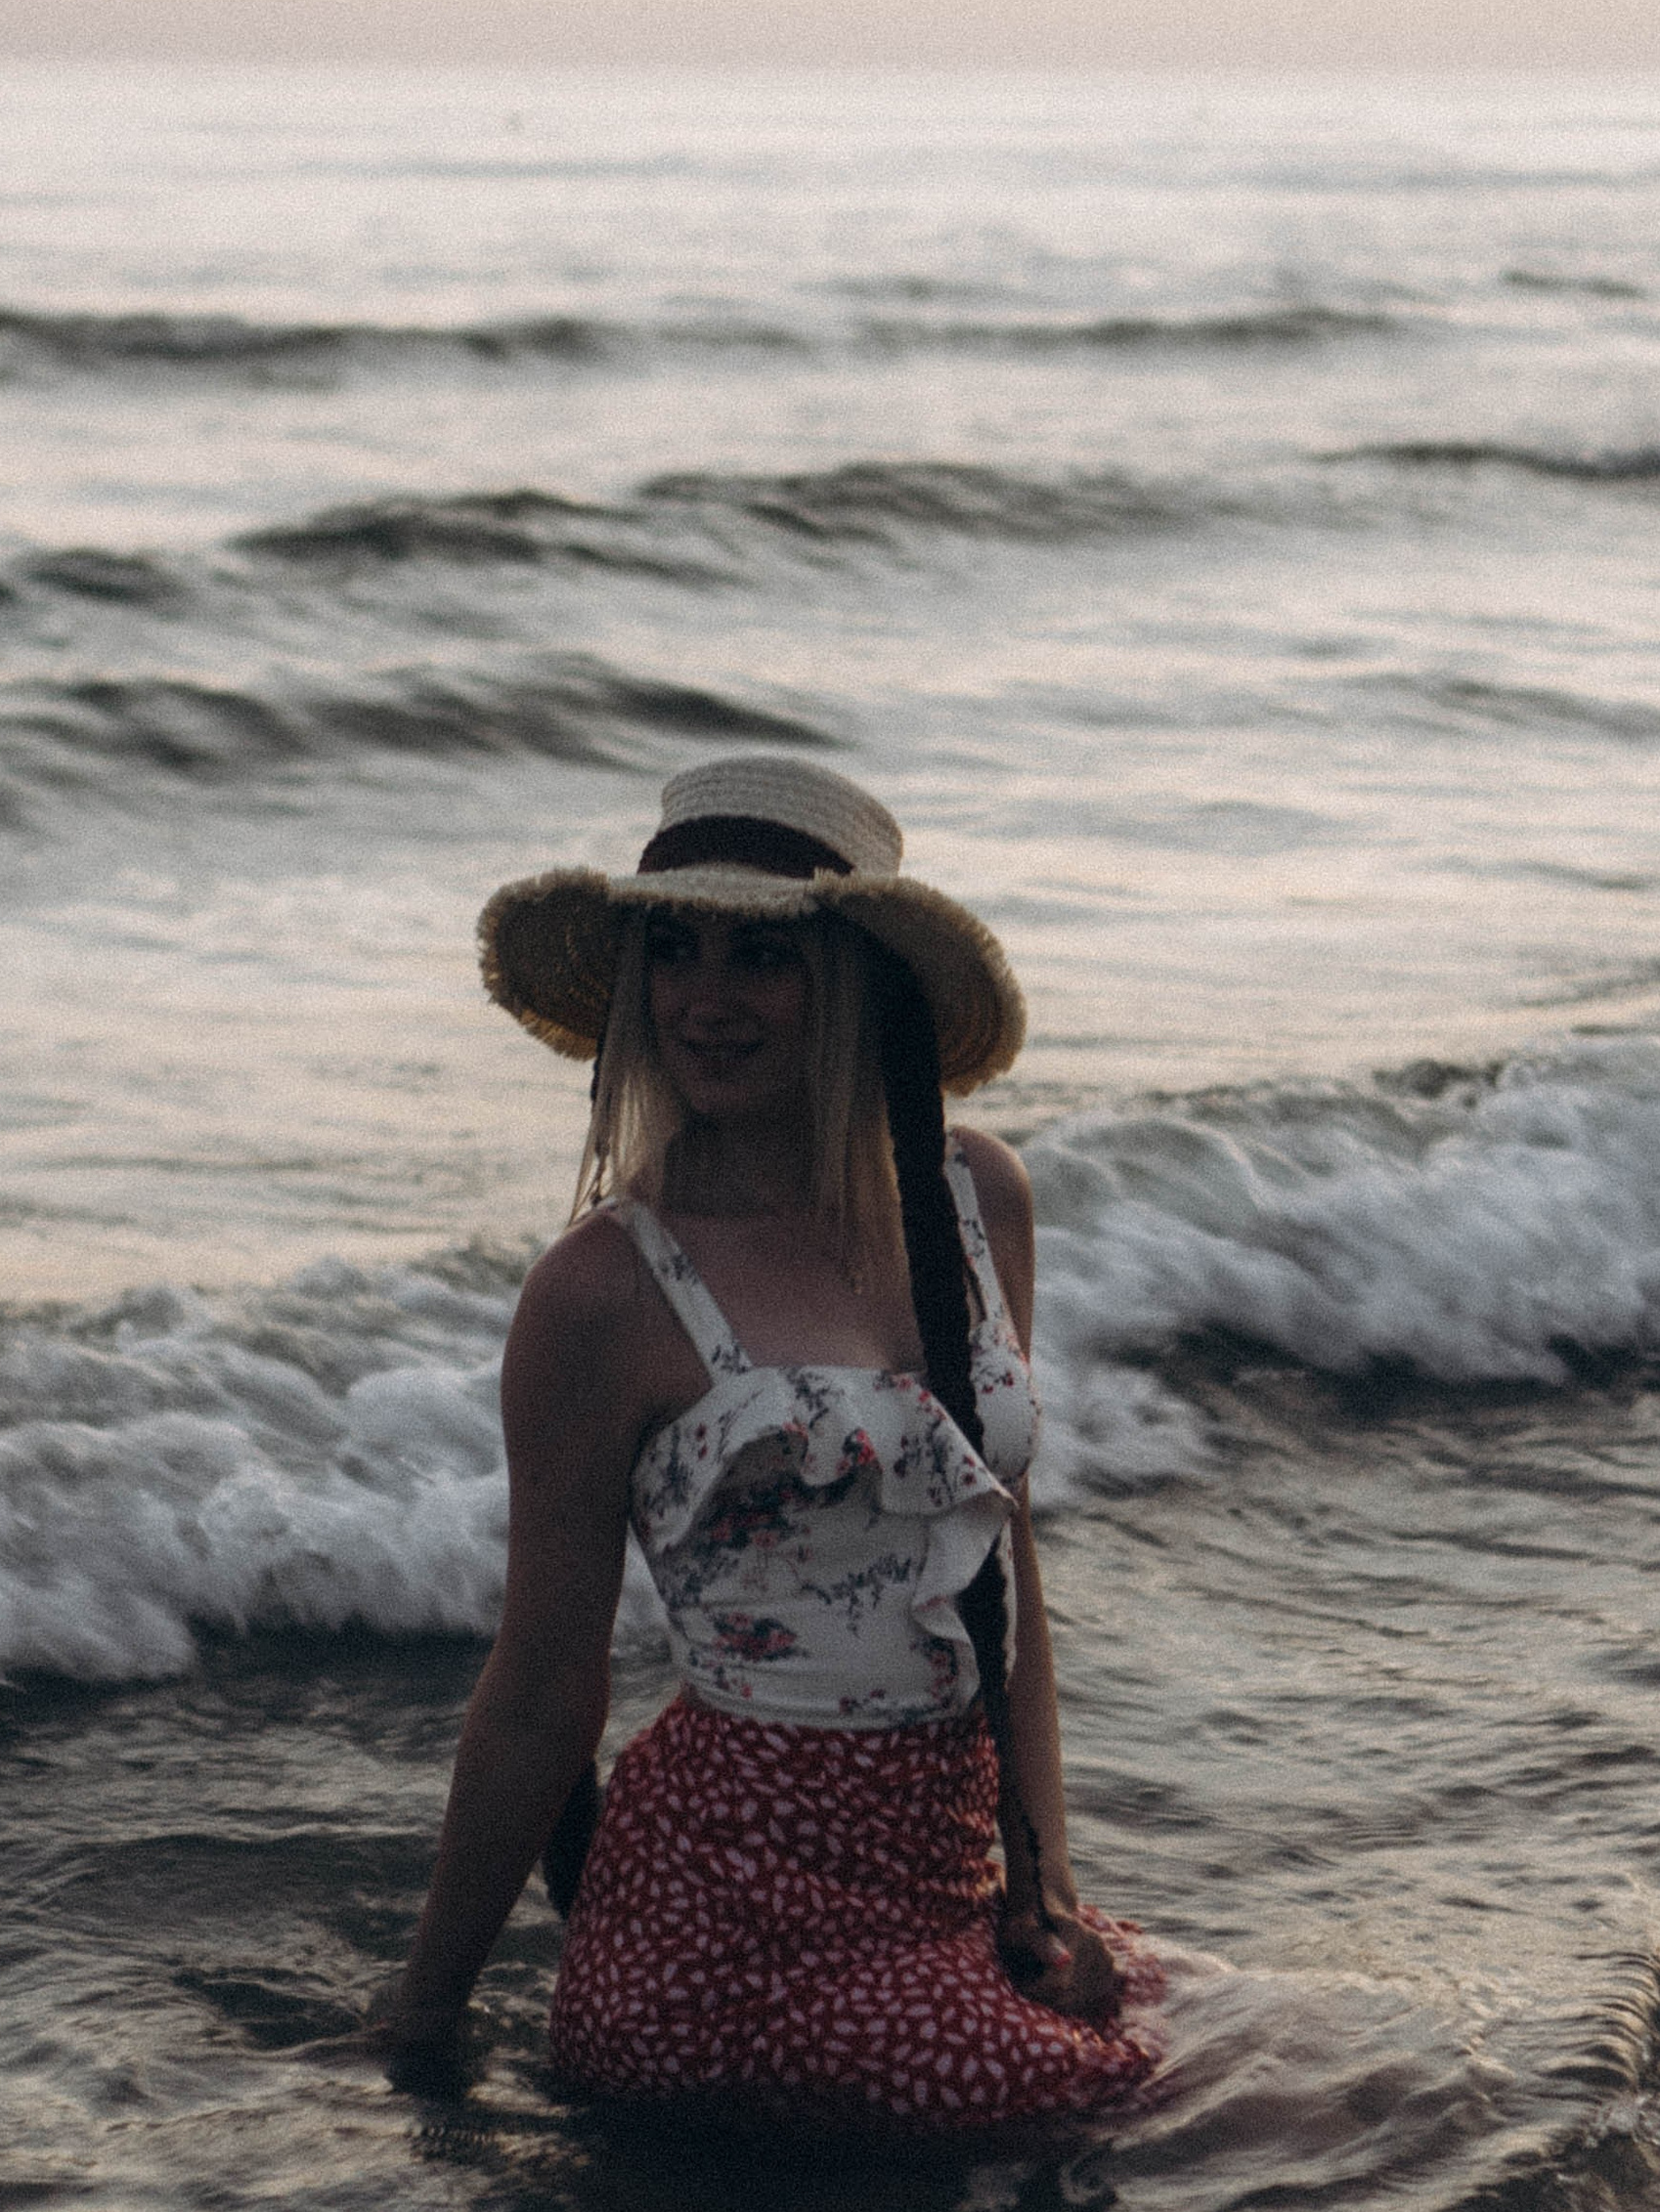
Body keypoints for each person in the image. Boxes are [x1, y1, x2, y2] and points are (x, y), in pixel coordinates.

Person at [361, 755, 1160, 2128]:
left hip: (943, 1869)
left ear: (852, 983)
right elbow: (543, 1688)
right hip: (725, 1932)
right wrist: (425, 2014)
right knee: (1193, 2114)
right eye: (671, 950)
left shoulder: (976, 1200)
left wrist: (1046, 1883)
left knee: (1267, 2047)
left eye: (761, 957)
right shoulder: (607, 1291)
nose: (703, 998)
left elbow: (1005, 1567)